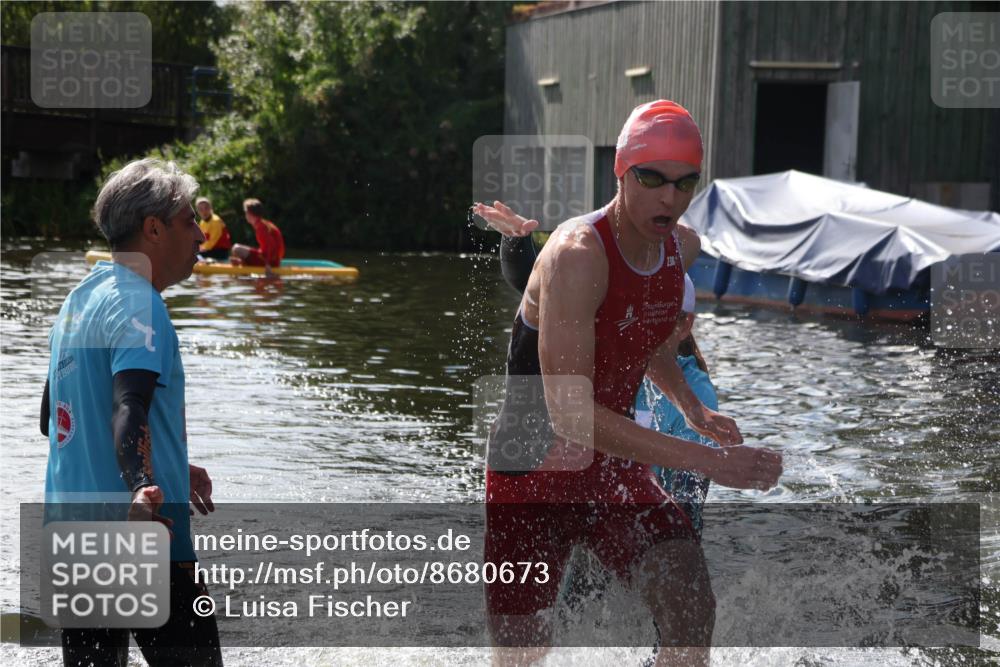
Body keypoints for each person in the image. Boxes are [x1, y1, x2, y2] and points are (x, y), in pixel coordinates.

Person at [481, 100, 782, 666]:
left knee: (690, 606)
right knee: (522, 657)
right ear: (622, 171)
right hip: (531, 476)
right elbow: (570, 414)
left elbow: (636, 336)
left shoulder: (680, 248)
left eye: (685, 182)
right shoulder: (576, 256)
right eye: (652, 179)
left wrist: (693, 407)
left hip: (611, 470)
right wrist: (710, 461)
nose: (669, 198)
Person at [39, 158, 223, 666]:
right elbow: (129, 403)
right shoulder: (142, 305)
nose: (201, 235)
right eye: (190, 221)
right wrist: (143, 481)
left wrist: (168, 462)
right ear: (153, 228)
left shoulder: (77, 302)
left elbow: (56, 418)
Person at [230, 198, 285, 270]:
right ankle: (242, 265)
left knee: (236, 248)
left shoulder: (261, 227)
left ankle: (241, 269)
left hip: (270, 263)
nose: (245, 215)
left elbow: (270, 247)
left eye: (246, 212)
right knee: (239, 250)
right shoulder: (263, 224)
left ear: (250, 213)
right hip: (272, 260)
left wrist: (268, 265)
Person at [196, 196, 233, 261]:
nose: (204, 211)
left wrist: (199, 249)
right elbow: (201, 240)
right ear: (197, 211)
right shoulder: (202, 222)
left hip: (220, 252)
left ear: (210, 208)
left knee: (194, 254)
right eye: (200, 209)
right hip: (209, 250)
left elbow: (212, 243)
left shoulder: (216, 221)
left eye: (206, 208)